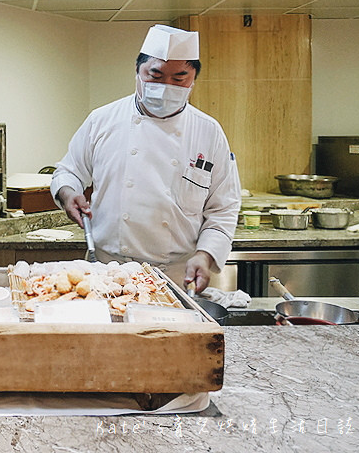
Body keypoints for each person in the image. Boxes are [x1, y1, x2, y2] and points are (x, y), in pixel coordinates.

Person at [50, 24, 240, 292]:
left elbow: (224, 207)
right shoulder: (102, 120)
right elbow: (67, 172)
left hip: (176, 277)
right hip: (106, 272)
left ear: (194, 79)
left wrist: (205, 255)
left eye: (179, 79)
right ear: (137, 72)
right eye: (156, 75)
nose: (166, 87)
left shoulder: (208, 132)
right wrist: (69, 194)